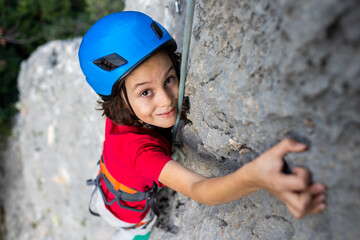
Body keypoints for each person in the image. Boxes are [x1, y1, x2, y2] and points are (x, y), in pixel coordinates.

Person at [78, 11, 327, 240]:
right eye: (146, 92)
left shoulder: (122, 104)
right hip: (129, 212)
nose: (166, 100)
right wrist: (255, 177)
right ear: (119, 102)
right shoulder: (139, 153)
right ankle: (134, 233)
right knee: (138, 227)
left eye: (169, 78)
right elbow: (199, 188)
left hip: (113, 175)